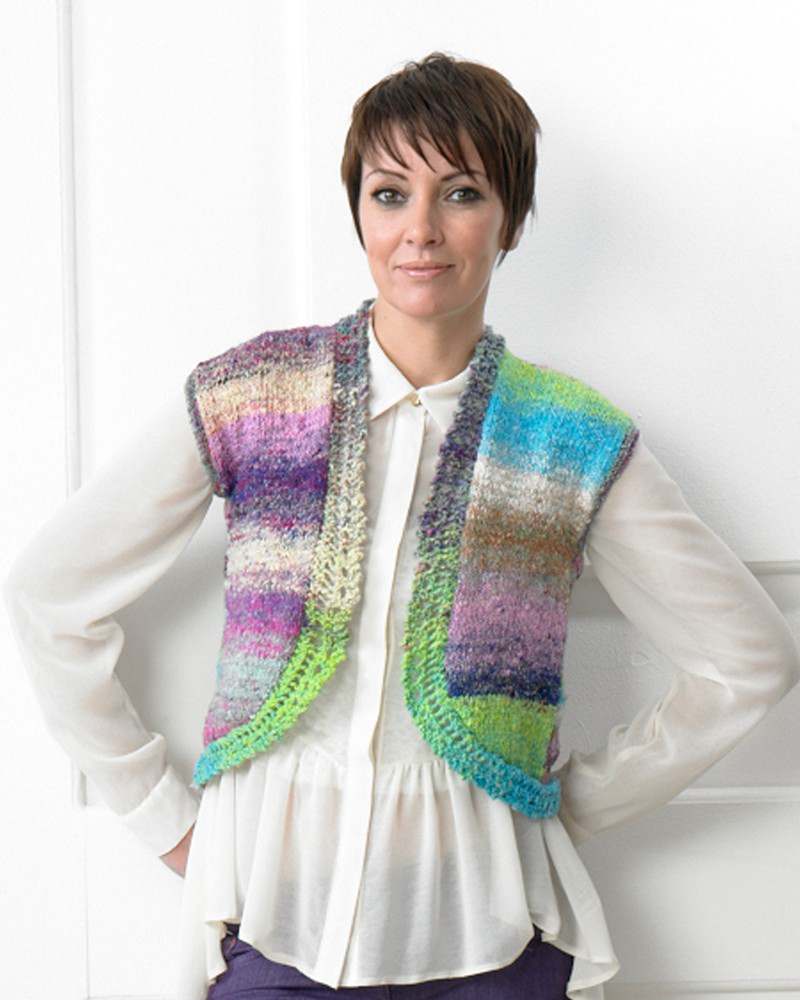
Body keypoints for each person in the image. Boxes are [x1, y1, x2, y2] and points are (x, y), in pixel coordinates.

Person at [4, 51, 799, 1000]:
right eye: (389, 194)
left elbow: (750, 659)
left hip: (490, 936)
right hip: (277, 927)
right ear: (359, 213)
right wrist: (157, 813)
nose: (420, 229)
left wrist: (560, 806)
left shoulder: (571, 439)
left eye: (461, 193)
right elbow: (50, 592)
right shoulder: (253, 394)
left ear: (511, 220)